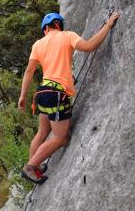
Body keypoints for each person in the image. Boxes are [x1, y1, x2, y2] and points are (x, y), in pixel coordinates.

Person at [17, 11, 120, 184]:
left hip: (42, 93)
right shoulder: (67, 36)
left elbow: (29, 72)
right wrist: (108, 25)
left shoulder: (38, 44)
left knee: (42, 132)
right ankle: (30, 167)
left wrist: (22, 96)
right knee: (61, 138)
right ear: (58, 25)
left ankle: (36, 164)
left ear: (46, 28)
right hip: (56, 94)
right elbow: (89, 46)